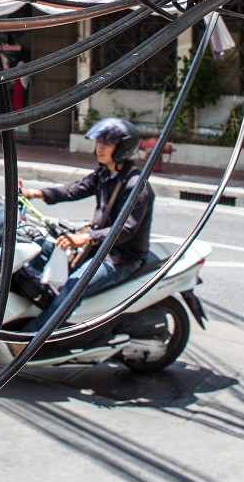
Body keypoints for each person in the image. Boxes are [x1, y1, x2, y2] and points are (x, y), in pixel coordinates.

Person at [18, 117, 152, 333]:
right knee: (41, 249)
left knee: (74, 287)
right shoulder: (105, 173)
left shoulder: (136, 186)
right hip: (98, 245)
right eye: (99, 143)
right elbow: (75, 189)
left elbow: (125, 230)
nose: (100, 148)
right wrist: (34, 193)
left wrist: (86, 237)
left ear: (122, 148)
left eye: (106, 144)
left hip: (121, 256)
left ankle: (29, 339)